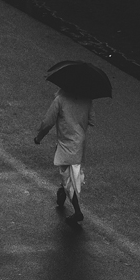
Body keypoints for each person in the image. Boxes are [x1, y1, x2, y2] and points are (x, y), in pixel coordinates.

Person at [34, 88, 94, 225]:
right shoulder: (87, 99)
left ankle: (77, 211)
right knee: (72, 174)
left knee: (69, 180)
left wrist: (38, 138)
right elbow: (91, 120)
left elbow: (47, 122)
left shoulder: (60, 99)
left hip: (66, 144)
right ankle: (62, 190)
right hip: (80, 143)